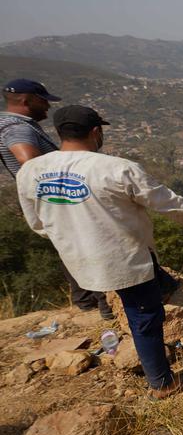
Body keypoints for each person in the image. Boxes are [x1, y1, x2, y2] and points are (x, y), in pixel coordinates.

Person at [16, 105, 183, 398]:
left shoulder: (31, 171)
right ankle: (162, 383)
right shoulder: (115, 168)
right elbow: (170, 204)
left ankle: (163, 290)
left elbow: (37, 223)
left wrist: (73, 235)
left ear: (59, 133)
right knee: (145, 317)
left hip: (78, 259)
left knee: (146, 290)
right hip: (124, 259)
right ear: (96, 132)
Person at [2, 78, 113, 319]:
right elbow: (28, 161)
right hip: (60, 196)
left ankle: (87, 301)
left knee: (71, 245)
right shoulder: (16, 128)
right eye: (43, 101)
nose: (47, 107)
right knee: (89, 243)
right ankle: (104, 305)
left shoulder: (14, 124)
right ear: (25, 100)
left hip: (52, 197)